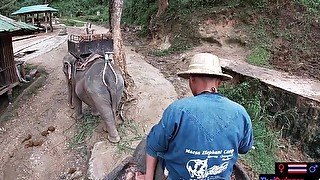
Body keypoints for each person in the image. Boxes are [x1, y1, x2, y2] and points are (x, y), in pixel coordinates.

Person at [136, 53, 254, 180]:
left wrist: (148, 177)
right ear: (219, 82)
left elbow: (153, 146)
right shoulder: (240, 112)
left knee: (152, 138)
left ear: (192, 80)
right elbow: (244, 148)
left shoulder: (177, 109)